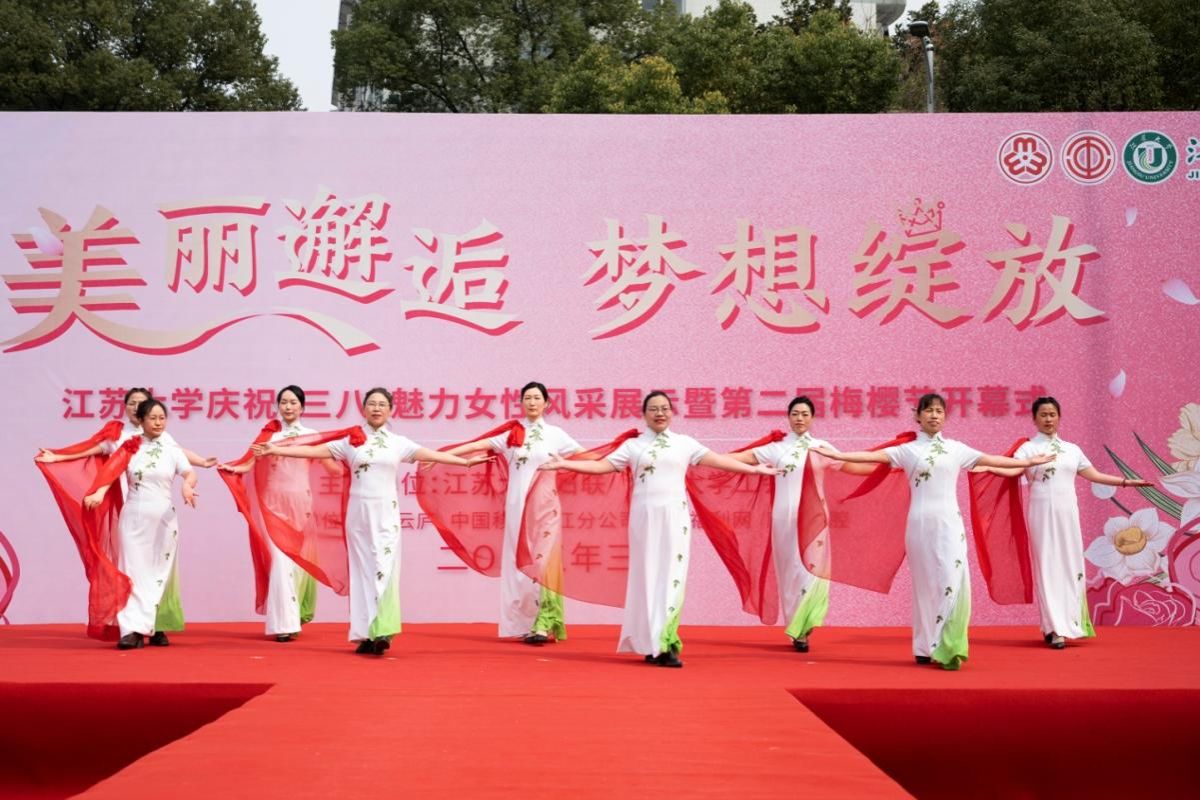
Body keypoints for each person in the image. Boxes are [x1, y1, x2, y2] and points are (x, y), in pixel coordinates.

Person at [812, 393, 1055, 670]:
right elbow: (871, 456)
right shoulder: (907, 450)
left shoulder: (956, 449)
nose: (934, 415)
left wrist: (1027, 463)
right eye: (928, 411)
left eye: (939, 411)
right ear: (918, 416)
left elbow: (994, 460)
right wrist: (838, 455)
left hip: (950, 524)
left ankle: (948, 646)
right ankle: (924, 647)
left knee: (952, 578)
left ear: (945, 416)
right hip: (918, 526)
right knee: (925, 585)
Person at [539, 391, 779, 668]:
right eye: (653, 409)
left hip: (674, 517)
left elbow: (717, 460)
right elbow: (602, 466)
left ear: (672, 413)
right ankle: (649, 643)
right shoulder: (633, 446)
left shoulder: (684, 443)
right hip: (643, 519)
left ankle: (665, 643)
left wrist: (754, 471)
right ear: (644, 415)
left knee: (671, 575)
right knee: (647, 577)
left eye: (665, 408)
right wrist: (565, 464)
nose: (660, 413)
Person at [253, 388, 489, 655]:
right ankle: (364, 634)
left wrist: (465, 463)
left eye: (382, 404)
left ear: (390, 410)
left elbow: (430, 454)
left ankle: (383, 630)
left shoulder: (398, 443)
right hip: (357, 516)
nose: (376, 408)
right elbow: (312, 451)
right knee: (361, 573)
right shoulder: (350, 441)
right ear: (364, 409)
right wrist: (275, 448)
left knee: (383, 568)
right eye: (372, 404)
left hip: (386, 515)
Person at [975, 396, 1151, 649]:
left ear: (1059, 417)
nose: (1048, 419)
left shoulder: (1072, 449)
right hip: (1041, 513)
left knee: (1070, 565)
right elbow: (1013, 469)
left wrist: (1126, 482)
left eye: (1052, 414)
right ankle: (1053, 628)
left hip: (1067, 514)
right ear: (1034, 418)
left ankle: (1072, 623)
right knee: (1047, 567)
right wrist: (987, 467)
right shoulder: (1028, 449)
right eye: (1043, 415)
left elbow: (1095, 475)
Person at [720, 396, 873, 653]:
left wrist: (890, 468)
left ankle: (805, 624)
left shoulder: (821, 448)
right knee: (790, 572)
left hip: (815, 520)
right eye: (795, 414)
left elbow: (852, 467)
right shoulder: (776, 448)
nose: (799, 418)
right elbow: (741, 458)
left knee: (811, 572)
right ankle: (796, 626)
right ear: (788, 417)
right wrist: (702, 458)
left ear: (812, 418)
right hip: (784, 519)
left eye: (804, 414)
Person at [439, 381, 583, 644]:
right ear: (521, 402)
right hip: (516, 508)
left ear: (547, 403)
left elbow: (586, 457)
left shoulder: (556, 435)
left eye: (537, 398)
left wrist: (616, 461)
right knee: (521, 566)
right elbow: (475, 445)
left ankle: (545, 621)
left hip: (546, 506)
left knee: (544, 562)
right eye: (527, 398)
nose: (532, 402)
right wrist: (439, 456)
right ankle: (525, 623)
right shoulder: (511, 434)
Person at [82, 398, 198, 650]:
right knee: (132, 572)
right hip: (134, 518)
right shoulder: (129, 447)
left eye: (162, 418)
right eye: (152, 418)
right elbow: (110, 473)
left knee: (158, 573)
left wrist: (188, 486)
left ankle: (154, 624)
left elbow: (189, 472)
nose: (158, 422)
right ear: (141, 420)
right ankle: (131, 631)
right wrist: (99, 492)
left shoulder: (171, 448)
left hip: (164, 520)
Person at [218, 385, 324, 642]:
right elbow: (249, 463)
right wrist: (233, 469)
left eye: (293, 402)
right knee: (279, 561)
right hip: (272, 504)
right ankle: (284, 624)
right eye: (284, 402)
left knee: (297, 563)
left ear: (302, 407)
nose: (288, 407)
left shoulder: (312, 435)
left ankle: (293, 615)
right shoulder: (269, 436)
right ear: (278, 406)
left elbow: (330, 463)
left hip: (301, 503)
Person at [37, 386, 216, 469]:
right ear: (125, 407)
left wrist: (202, 462)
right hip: (124, 497)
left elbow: (179, 452)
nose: (136, 407)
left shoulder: (161, 435)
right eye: (132, 403)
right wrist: (58, 456)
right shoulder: (117, 433)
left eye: (141, 404)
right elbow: (87, 449)